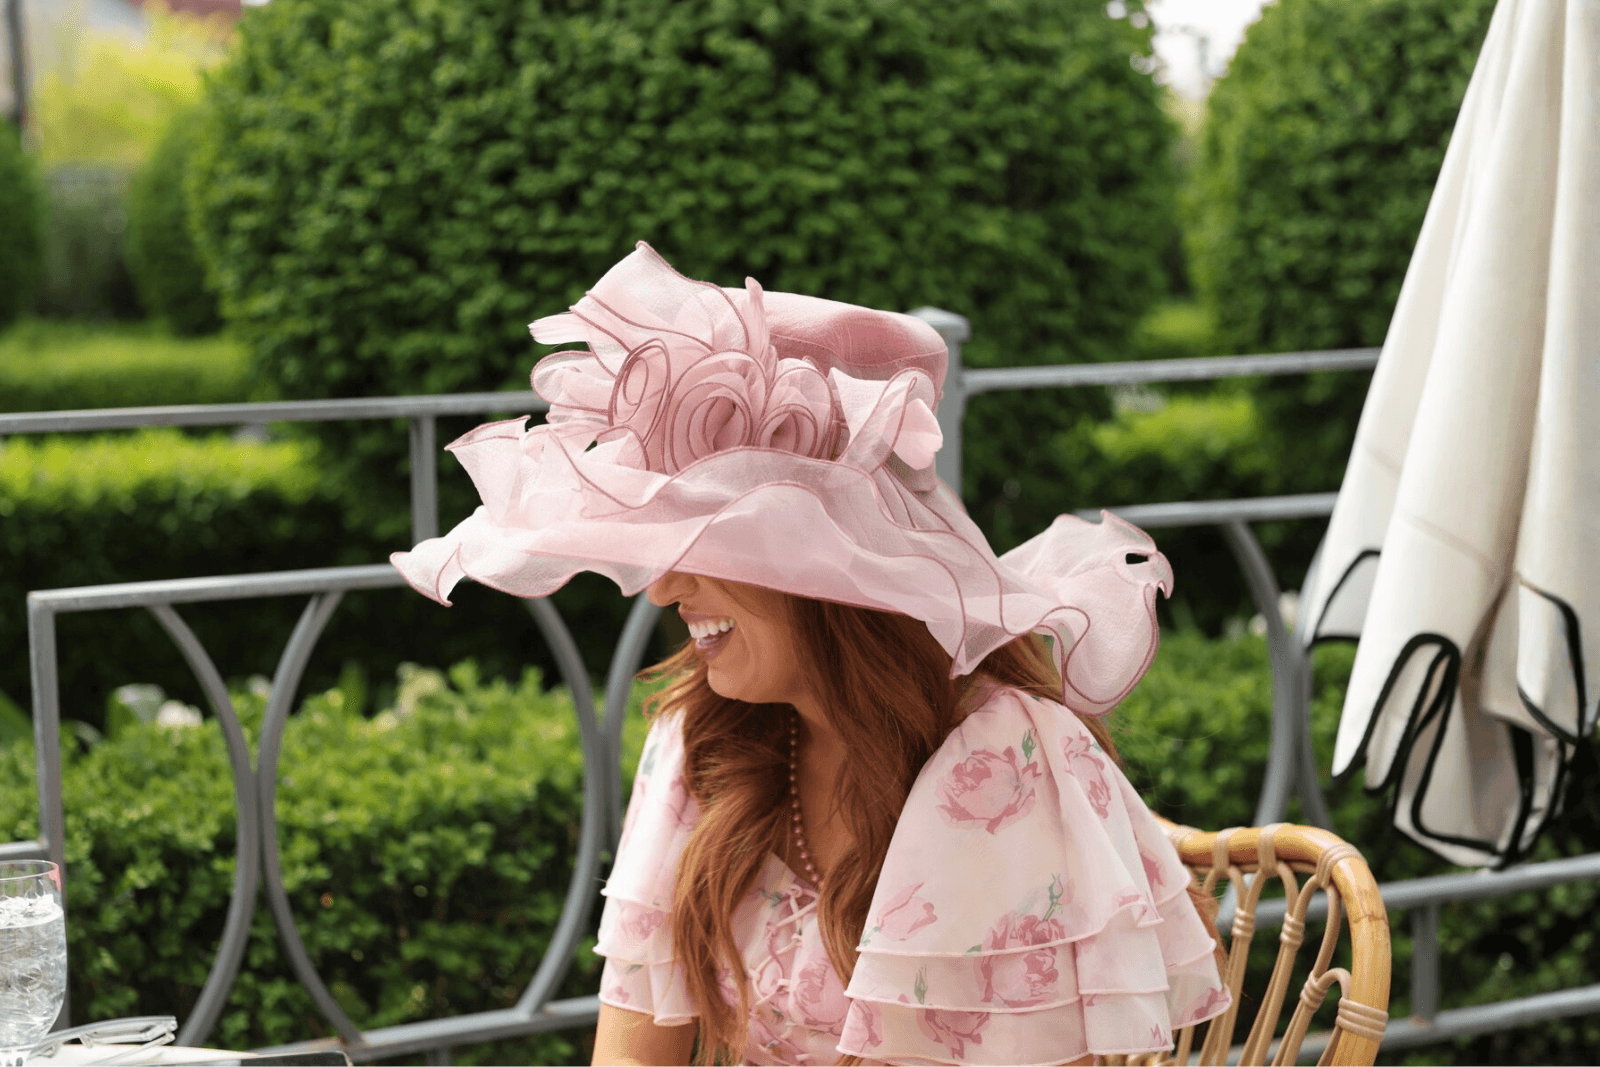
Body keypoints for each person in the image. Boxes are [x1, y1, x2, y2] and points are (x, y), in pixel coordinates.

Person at [391, 243, 1231, 1065]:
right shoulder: (704, 746)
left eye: (707, 542)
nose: (660, 589)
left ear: (826, 569)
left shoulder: (1004, 757)